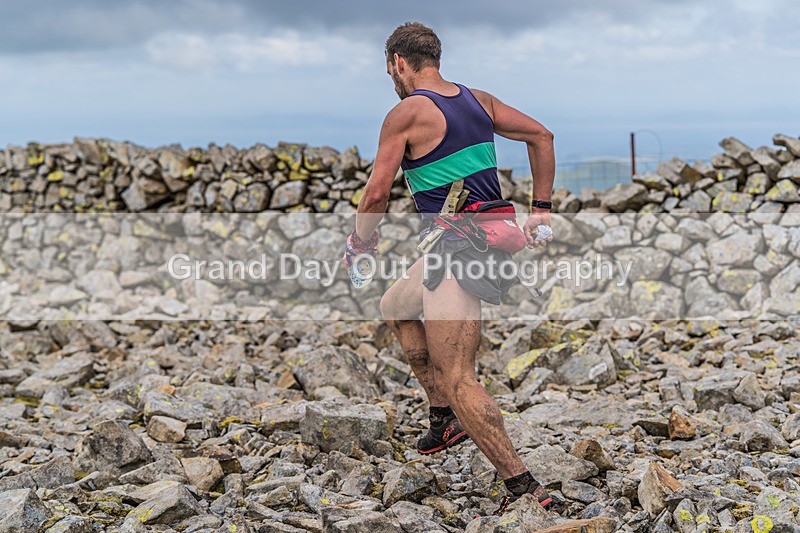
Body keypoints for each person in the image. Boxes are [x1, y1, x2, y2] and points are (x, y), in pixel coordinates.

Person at [343, 21, 556, 515]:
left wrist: (361, 241)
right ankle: (444, 417)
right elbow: (542, 137)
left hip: (462, 249)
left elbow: (376, 193)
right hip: (468, 241)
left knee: (460, 375)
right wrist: (540, 208)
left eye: (389, 68)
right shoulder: (478, 100)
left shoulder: (406, 112)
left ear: (399, 62)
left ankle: (524, 488)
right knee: (395, 303)